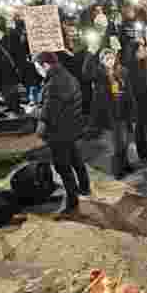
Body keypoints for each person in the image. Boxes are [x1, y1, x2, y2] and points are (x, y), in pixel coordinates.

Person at [35, 51, 91, 213]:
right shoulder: (67, 75)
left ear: (46, 65)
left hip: (58, 132)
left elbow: (48, 113)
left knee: (63, 167)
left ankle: (72, 201)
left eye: (38, 68)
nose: (38, 71)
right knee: (76, 160)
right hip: (71, 128)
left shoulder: (53, 84)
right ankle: (85, 187)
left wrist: (36, 114)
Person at [94, 47, 137, 178]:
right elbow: (100, 95)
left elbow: (128, 91)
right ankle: (118, 170)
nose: (110, 61)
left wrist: (131, 108)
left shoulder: (122, 71)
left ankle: (125, 164)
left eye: (111, 58)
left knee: (124, 141)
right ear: (102, 61)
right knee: (116, 144)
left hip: (123, 110)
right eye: (106, 59)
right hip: (111, 113)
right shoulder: (100, 75)